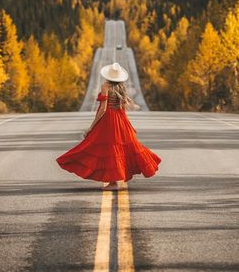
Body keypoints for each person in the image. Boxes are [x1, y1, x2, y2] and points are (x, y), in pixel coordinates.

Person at [56, 62, 161, 190]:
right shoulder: (120, 87)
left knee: (107, 149)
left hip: (109, 120)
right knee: (120, 148)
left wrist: (92, 126)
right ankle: (114, 181)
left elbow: (103, 109)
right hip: (120, 120)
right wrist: (128, 125)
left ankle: (113, 183)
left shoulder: (105, 86)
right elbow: (122, 109)